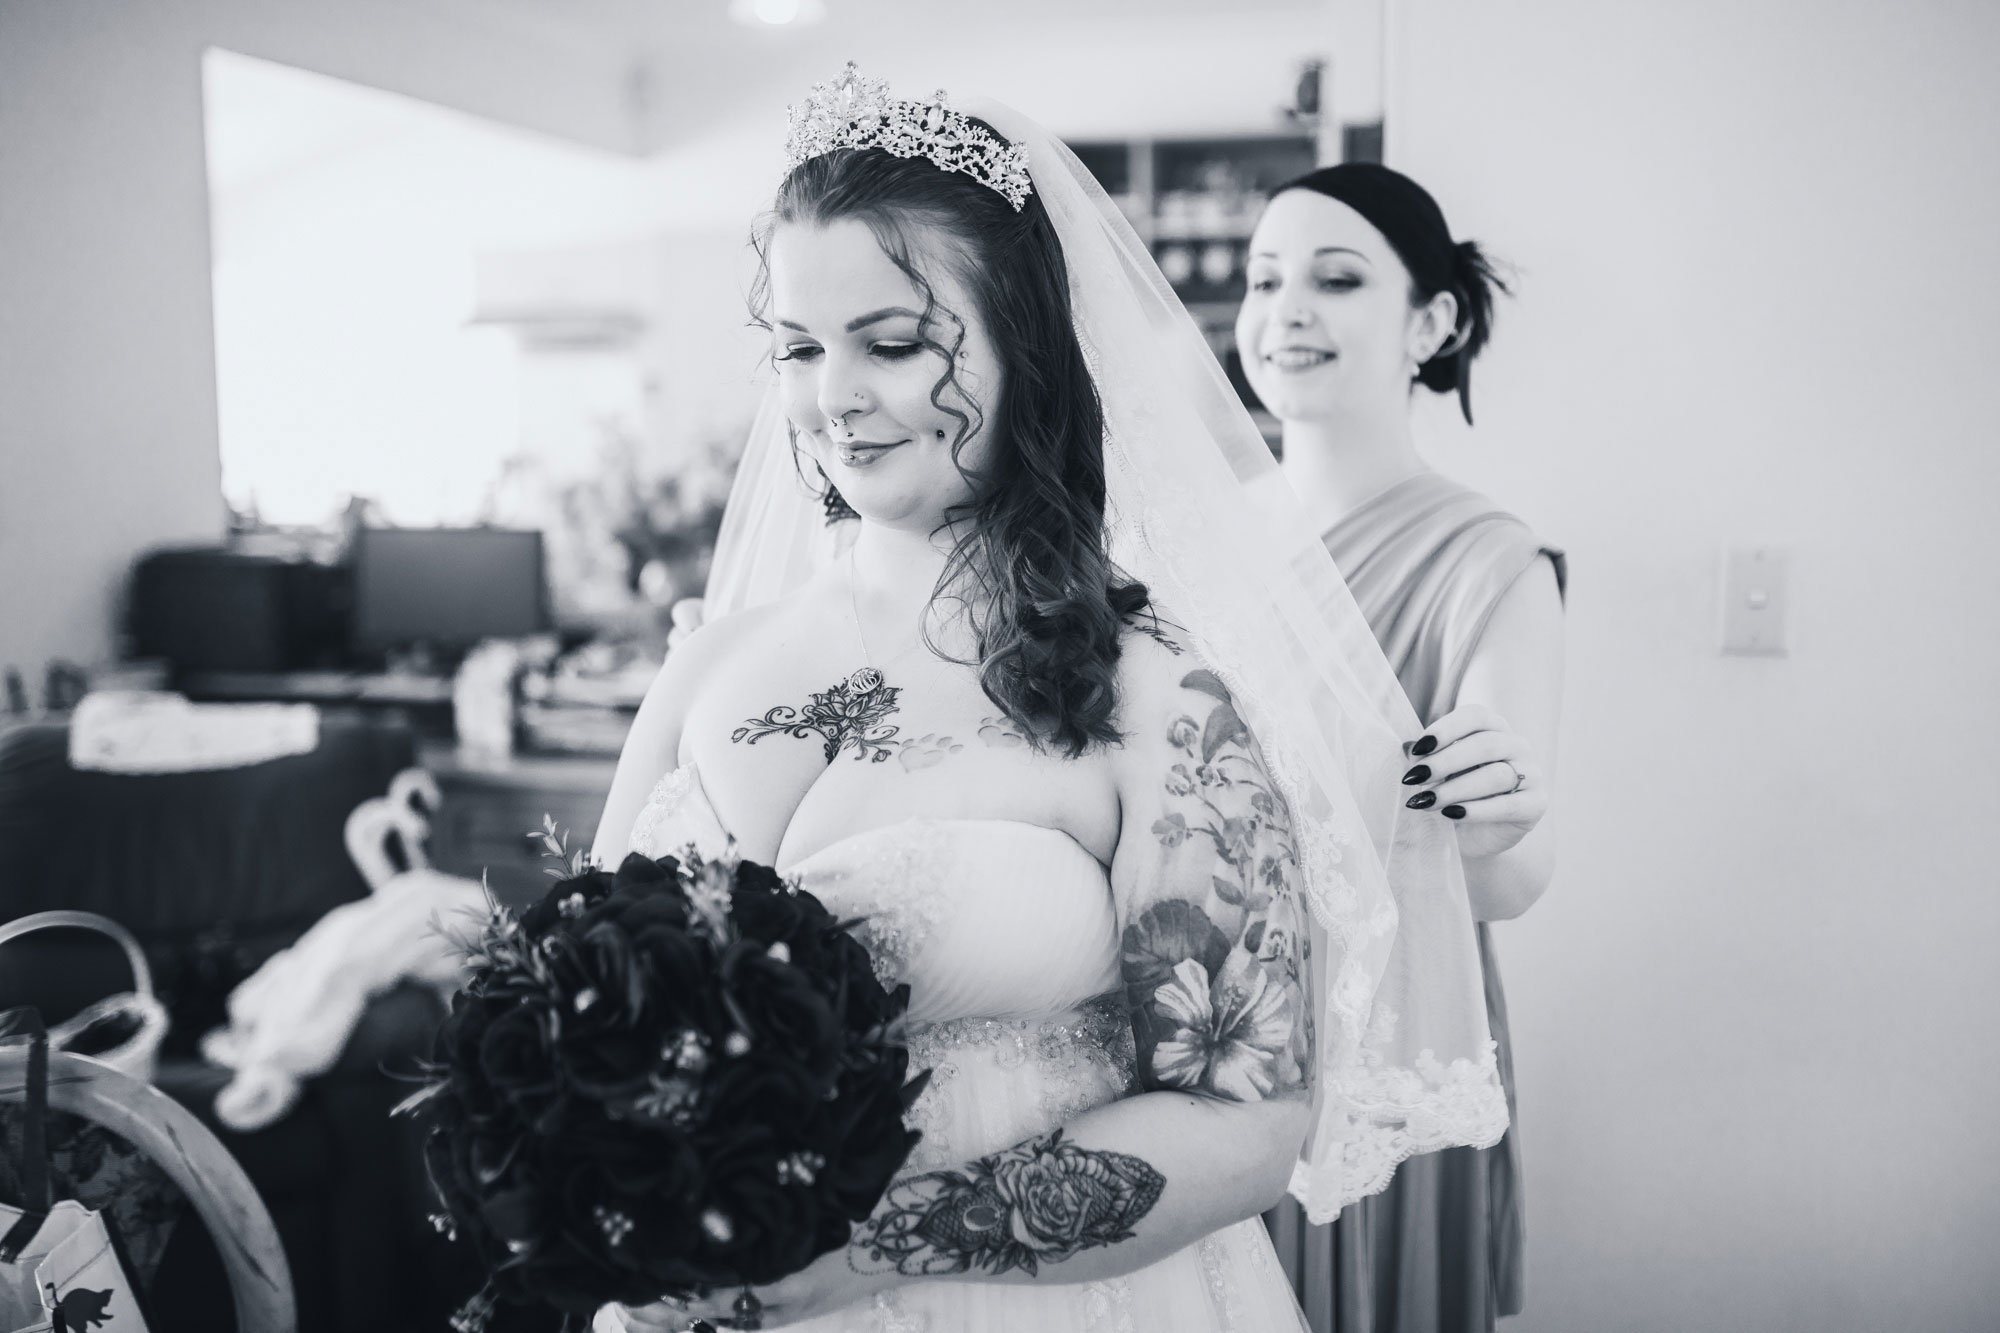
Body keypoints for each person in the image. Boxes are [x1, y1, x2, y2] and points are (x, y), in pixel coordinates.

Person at [595, 67, 1508, 1332]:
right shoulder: (708, 663)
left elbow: (1245, 1119)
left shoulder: (1154, 691)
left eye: (894, 343)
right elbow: (581, 1009)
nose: (832, 396)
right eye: (799, 347)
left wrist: (855, 1254)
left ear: (1022, 349)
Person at [1237, 164, 1566, 1333]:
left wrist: (1497, 816)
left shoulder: (1488, 562)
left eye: (1334, 278)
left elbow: (1510, 880)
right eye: (1263, 278)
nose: (1286, 309)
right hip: (1211, 1023)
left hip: (1389, 1039)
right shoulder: (1192, 547)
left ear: (1428, 322)